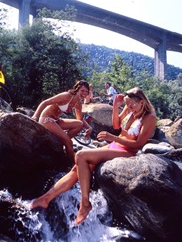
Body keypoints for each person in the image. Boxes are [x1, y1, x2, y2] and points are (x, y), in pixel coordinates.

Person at [28, 87, 156, 225]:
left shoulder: (150, 118)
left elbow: (137, 145)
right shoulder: (129, 108)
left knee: (81, 156)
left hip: (128, 151)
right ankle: (46, 198)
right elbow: (116, 124)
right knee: (76, 169)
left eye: (132, 105)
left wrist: (113, 138)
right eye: (127, 105)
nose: (129, 108)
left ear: (141, 102)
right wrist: (115, 106)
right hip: (115, 145)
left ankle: (85, 203)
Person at [32, 80, 92, 164]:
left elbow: (80, 119)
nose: (84, 93)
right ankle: (73, 166)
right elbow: (45, 102)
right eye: (82, 90)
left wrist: (89, 128)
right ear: (76, 89)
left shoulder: (78, 103)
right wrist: (35, 116)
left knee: (79, 124)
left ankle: (62, 143)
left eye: (86, 91)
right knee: (69, 142)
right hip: (46, 119)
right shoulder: (66, 96)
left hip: (56, 120)